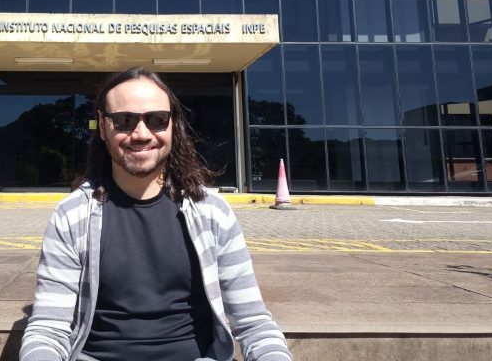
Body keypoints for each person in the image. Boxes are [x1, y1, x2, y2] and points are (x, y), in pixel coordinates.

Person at [20, 67, 292, 361]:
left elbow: (254, 324)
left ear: (172, 125)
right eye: (124, 120)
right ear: (102, 126)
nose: (141, 134)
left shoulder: (213, 213)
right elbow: (48, 330)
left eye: (157, 120)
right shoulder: (71, 217)